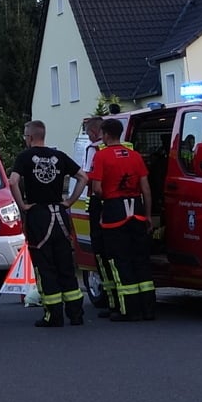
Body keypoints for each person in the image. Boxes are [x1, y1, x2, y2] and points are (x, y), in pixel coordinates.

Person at [9, 120, 88, 327]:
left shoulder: (25, 157)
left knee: (45, 266)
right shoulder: (59, 156)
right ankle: (76, 314)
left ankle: (53, 315)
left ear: (30, 137)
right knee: (65, 265)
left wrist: (22, 205)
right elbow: (83, 177)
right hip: (60, 214)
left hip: (39, 215)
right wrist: (69, 201)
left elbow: (12, 181)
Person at [90, 118, 155, 321]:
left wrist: (104, 200)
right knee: (141, 260)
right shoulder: (135, 156)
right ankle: (149, 308)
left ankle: (129, 309)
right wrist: (148, 215)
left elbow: (97, 188)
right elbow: (146, 188)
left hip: (114, 212)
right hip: (136, 209)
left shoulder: (101, 156)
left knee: (120, 261)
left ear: (106, 134)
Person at [81, 116, 117, 318]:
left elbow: (88, 179)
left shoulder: (93, 150)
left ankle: (113, 300)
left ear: (95, 133)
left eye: (88, 133)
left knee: (102, 254)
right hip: (123, 205)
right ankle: (127, 301)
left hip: (100, 205)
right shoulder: (128, 148)